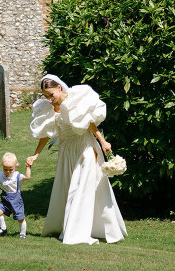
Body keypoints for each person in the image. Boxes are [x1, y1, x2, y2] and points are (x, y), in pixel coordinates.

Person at [26, 74, 127, 245]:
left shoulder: (75, 101)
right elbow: (46, 134)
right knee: (67, 188)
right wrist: (35, 155)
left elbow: (89, 124)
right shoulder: (50, 108)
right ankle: (73, 226)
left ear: (59, 88)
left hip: (84, 148)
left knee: (80, 187)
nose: (50, 99)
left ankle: (76, 231)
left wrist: (102, 142)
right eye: (46, 96)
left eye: (51, 94)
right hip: (66, 151)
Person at [0, 151, 31, 238]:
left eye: (11, 169)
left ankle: (22, 234)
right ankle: (3, 228)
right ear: (2, 166)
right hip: (5, 199)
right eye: (5, 169)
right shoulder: (1, 175)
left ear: (15, 167)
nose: (8, 171)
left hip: (16, 200)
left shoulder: (17, 176)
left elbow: (27, 177)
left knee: (20, 218)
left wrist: (28, 168)